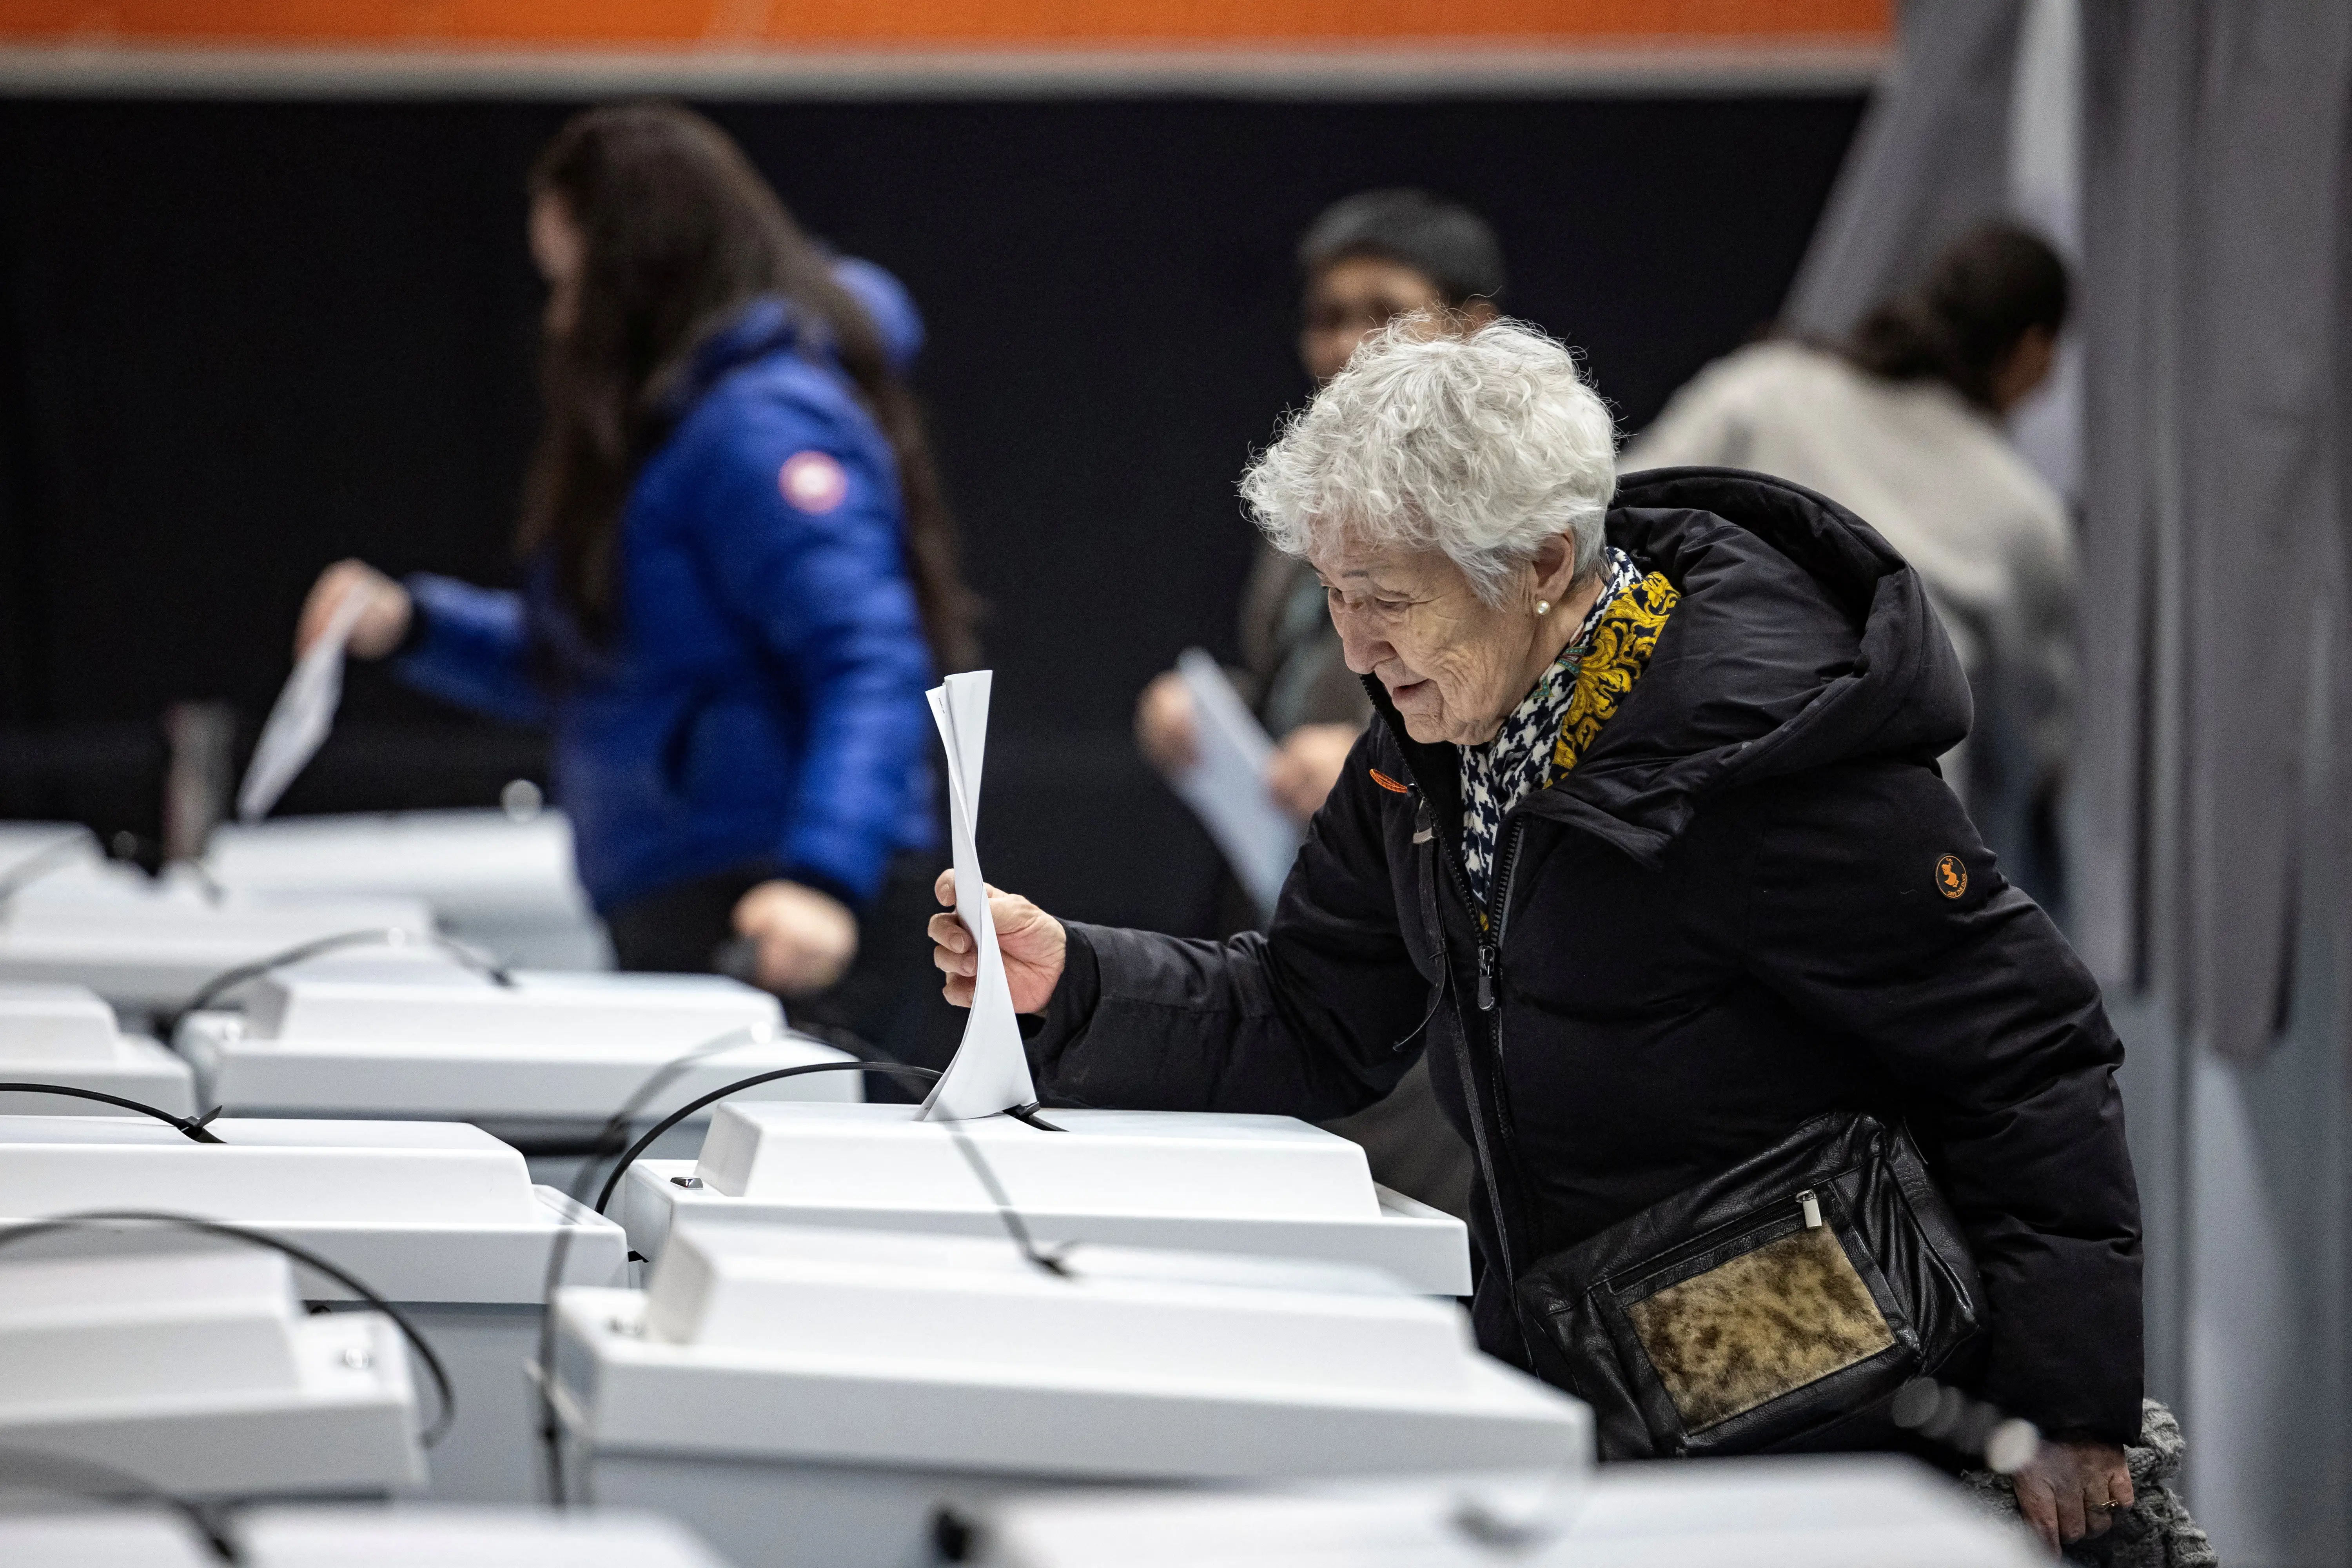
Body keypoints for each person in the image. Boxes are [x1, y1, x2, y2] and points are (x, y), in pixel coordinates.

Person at [934, 317, 2143, 1552]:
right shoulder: (1431, 748)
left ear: (1544, 564)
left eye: (1388, 600)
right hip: (1608, 1389)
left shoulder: (1763, 764)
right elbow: (1310, 1013)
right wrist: (1075, 980)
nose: (1355, 646)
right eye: (1335, 597)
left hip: (1825, 1404)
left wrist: (2066, 1404)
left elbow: (2027, 1056)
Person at [297, 103, 975, 1068]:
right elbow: (602, 663)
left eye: (572, 279)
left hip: (781, 901)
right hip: (692, 888)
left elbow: (869, 659)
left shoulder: (757, 427)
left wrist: (821, 878)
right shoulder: (668, 428)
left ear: (634, 268)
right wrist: (414, 628)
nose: (562, 314)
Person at [1132, 189, 1504, 1218]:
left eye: (1384, 312)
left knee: (1424, 1243)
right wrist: (1212, 714)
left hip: (1446, 953)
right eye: (1328, 317)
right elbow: (1305, 674)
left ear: (1471, 330)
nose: (1348, 345)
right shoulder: (1312, 495)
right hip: (1309, 917)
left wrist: (1381, 758)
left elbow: (1548, 713)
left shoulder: (1516, 495)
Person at [1622, 222, 2075, 902]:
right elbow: (2034, 742)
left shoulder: (1760, 391)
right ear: (2037, 353)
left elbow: (1608, 518)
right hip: (1883, 871)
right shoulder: (2024, 517)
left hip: (1680, 810)